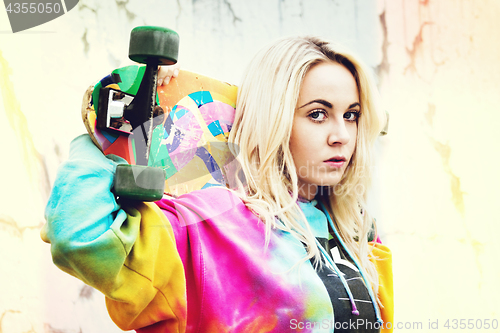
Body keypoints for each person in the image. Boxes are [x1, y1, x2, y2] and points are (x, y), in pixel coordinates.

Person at [42, 36, 393, 333]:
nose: (342, 136)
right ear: (273, 120)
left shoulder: (358, 233)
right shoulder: (213, 222)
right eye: (317, 114)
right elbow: (80, 235)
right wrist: (105, 135)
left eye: (352, 115)